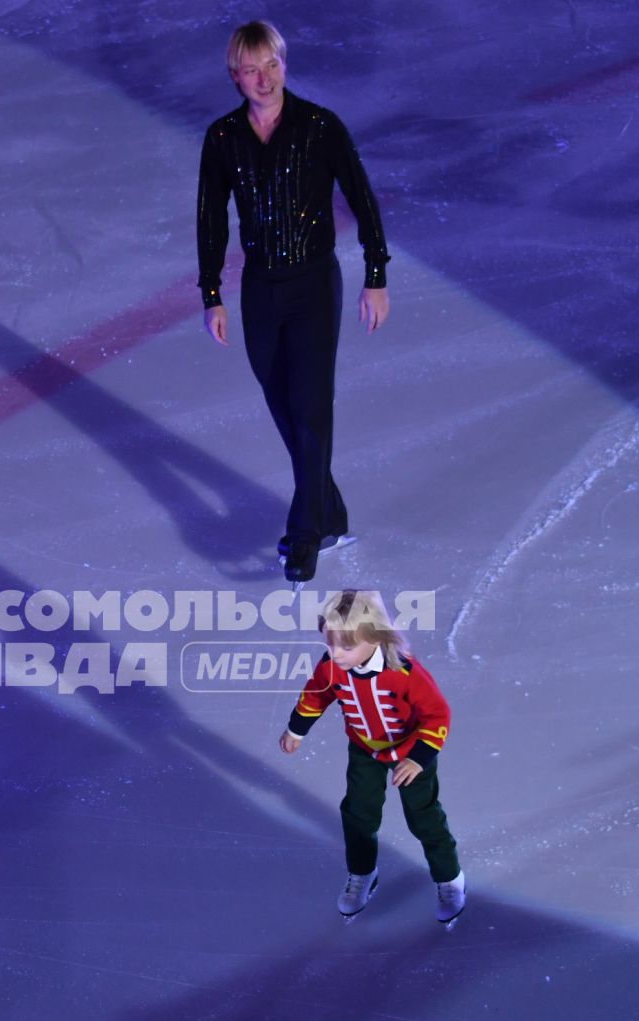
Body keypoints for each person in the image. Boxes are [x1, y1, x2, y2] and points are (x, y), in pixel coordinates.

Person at [197, 20, 392, 583]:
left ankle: (304, 532)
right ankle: (328, 508)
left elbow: (364, 200)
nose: (265, 79)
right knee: (283, 406)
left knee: (310, 407)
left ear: (284, 62)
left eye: (272, 65)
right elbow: (211, 220)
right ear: (235, 76)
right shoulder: (223, 138)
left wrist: (375, 275)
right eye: (252, 70)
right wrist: (212, 295)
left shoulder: (319, 127)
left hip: (313, 286)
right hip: (259, 288)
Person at [279, 591, 467, 923]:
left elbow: (438, 715)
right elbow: (315, 696)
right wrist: (296, 729)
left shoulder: (404, 672)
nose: (335, 654)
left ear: (375, 639)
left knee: (423, 817)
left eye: (346, 647)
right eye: (330, 645)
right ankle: (363, 873)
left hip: (411, 750)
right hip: (364, 749)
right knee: (357, 814)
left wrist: (419, 758)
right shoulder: (331, 668)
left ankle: (449, 879)